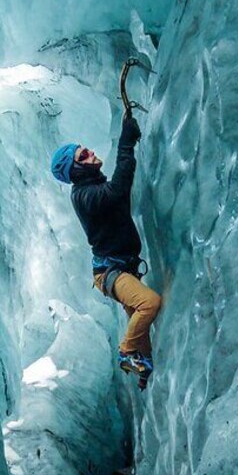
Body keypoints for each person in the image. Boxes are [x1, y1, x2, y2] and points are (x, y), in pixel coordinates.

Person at [50, 114, 161, 389]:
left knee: (140, 323)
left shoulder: (90, 188)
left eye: (86, 149)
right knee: (149, 304)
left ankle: (144, 369)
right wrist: (126, 144)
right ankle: (125, 351)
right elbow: (119, 190)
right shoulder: (85, 196)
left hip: (122, 267)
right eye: (83, 155)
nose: (91, 153)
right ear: (75, 170)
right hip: (111, 273)